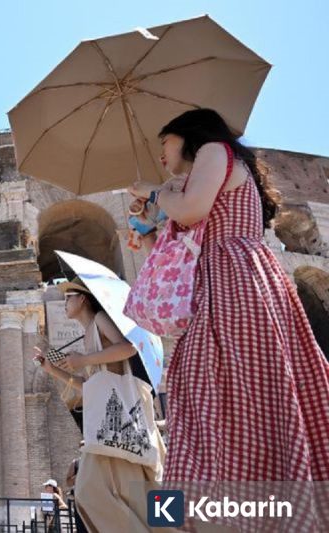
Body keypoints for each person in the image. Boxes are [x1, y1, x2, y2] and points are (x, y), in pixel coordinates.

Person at [128, 109, 329, 490]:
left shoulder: (214, 151)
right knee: (205, 393)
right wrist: (147, 229)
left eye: (165, 142)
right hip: (216, 283)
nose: (161, 154)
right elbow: (180, 250)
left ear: (189, 135)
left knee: (237, 388)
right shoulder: (200, 176)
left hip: (234, 281)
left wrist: (156, 191)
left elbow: (191, 210)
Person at [34, 278, 170, 532]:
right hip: (107, 426)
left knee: (92, 491)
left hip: (119, 421)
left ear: (83, 298)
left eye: (68, 297)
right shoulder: (88, 334)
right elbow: (90, 385)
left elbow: (128, 348)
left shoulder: (99, 320)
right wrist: (53, 370)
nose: (64, 303)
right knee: (124, 492)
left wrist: (84, 359)